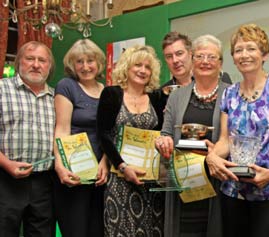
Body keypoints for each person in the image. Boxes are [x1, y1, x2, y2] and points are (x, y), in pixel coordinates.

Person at [205, 24, 269, 237]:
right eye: (238, 50)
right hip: (234, 190)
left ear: (264, 54)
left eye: (251, 48)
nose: (244, 55)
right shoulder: (229, 93)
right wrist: (212, 157)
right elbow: (225, 140)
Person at [156, 34, 230, 237]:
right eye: (200, 56)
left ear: (221, 63)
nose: (205, 62)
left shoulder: (232, 93)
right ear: (192, 60)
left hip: (218, 184)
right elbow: (166, 132)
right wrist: (163, 141)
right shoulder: (176, 96)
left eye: (211, 57)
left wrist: (219, 151)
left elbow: (236, 137)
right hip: (183, 185)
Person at [96, 45, 166, 236]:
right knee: (121, 229)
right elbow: (104, 134)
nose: (142, 70)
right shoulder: (111, 94)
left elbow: (162, 133)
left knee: (153, 229)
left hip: (149, 180)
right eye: (137, 65)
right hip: (120, 178)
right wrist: (122, 166)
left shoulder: (157, 97)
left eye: (147, 67)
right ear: (126, 66)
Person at [52, 39, 108, 237]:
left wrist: (105, 162)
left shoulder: (107, 90)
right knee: (75, 230)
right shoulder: (67, 86)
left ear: (99, 62)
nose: (85, 67)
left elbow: (109, 133)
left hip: (101, 176)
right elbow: (61, 128)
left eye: (90, 60)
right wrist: (60, 164)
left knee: (98, 231)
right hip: (73, 171)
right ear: (72, 65)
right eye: (79, 62)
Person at [0, 41, 56, 236]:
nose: (36, 65)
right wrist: (6, 163)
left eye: (42, 60)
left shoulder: (55, 98)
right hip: (5, 180)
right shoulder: (2, 89)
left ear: (49, 66)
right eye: (30, 59)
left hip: (43, 182)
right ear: (19, 63)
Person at [160, 31, 232, 96]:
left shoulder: (221, 78)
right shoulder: (161, 93)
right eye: (169, 56)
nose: (175, 60)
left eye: (179, 53)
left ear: (191, 54)